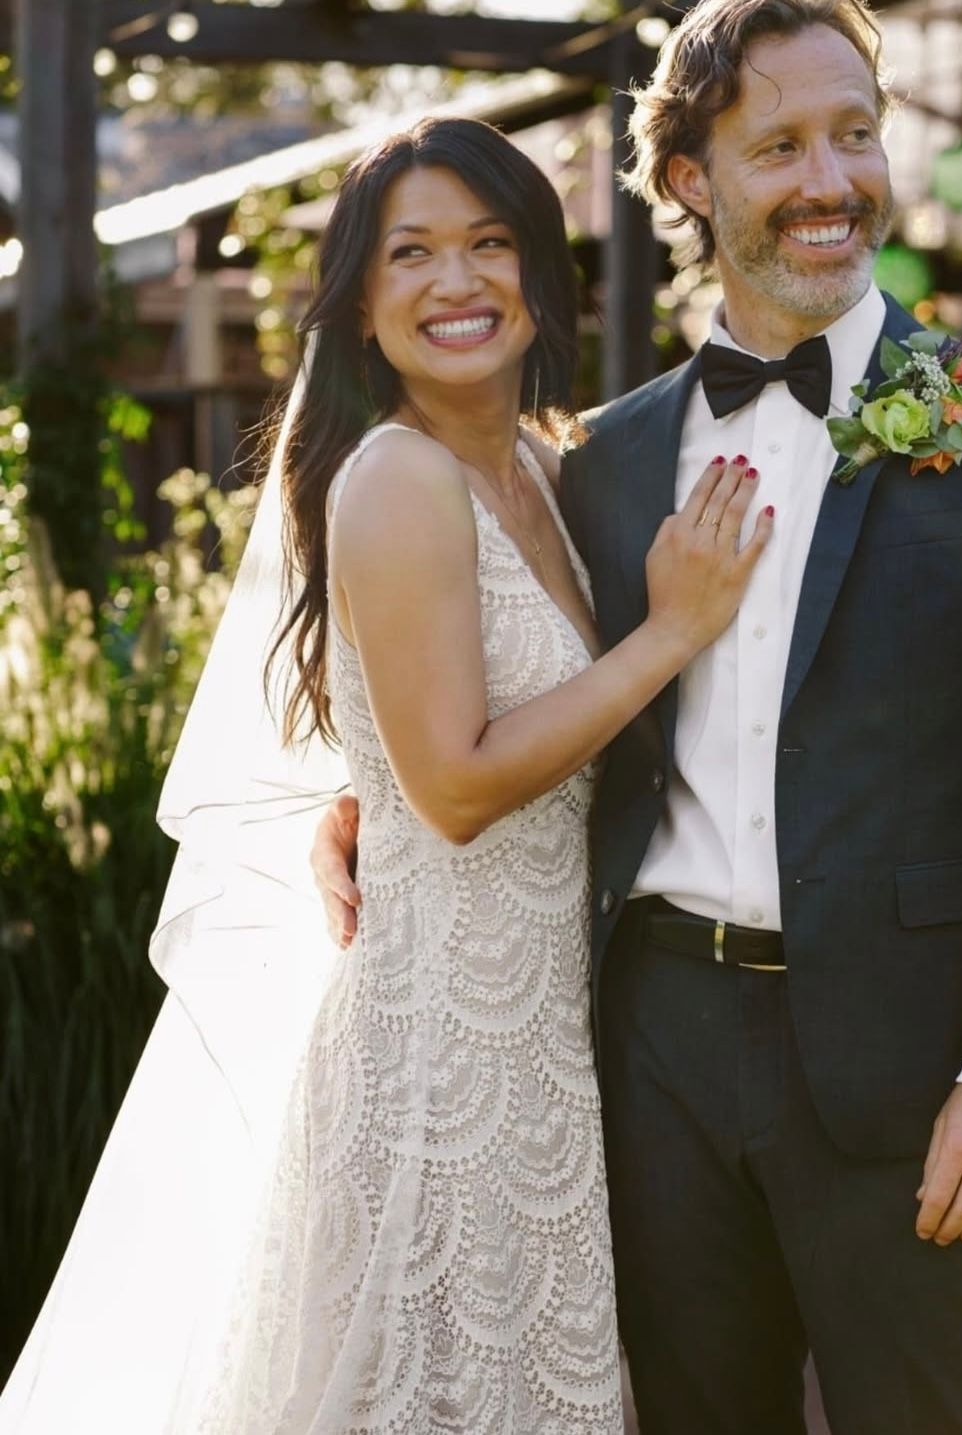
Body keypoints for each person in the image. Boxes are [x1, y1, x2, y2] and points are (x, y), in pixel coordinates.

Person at [314, 4, 962, 1433]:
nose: (833, 182)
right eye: (781, 147)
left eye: (855, 133)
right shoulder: (609, 460)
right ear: (690, 178)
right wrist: (358, 805)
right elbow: (502, 695)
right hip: (649, 1053)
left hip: (914, 1054)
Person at [0, 119, 772, 1435]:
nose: (455, 283)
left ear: (539, 273)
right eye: (410, 253)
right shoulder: (400, 479)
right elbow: (460, 790)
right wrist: (669, 633)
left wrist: (359, 794)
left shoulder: (540, 464)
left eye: (488, 243)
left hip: (546, 1045)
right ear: (360, 301)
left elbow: (463, 742)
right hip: (438, 1060)